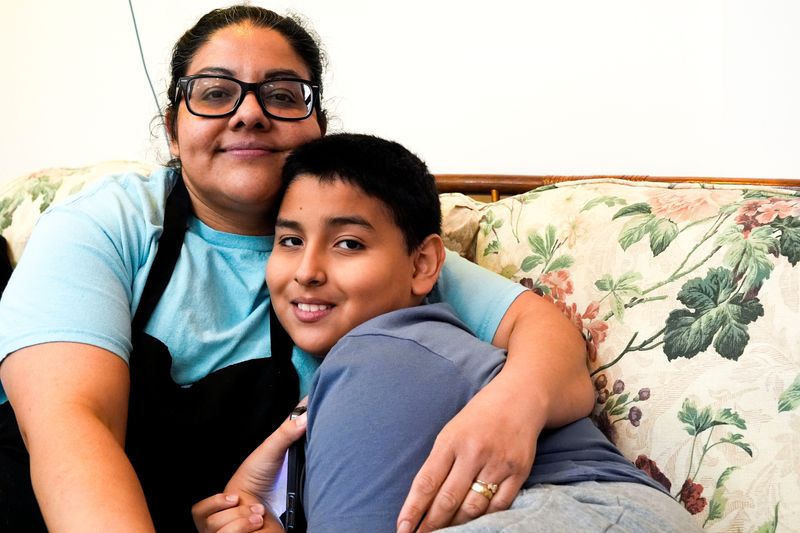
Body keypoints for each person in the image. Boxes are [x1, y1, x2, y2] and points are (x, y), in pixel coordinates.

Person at [0, 6, 593, 532]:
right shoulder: (109, 223)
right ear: (172, 130)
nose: (249, 114)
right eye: (213, 93)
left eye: (282, 95)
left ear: (317, 128)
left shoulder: (366, 248)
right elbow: (72, 423)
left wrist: (509, 411)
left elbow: (544, 336)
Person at [193, 133, 701, 533]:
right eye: (289, 240)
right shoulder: (377, 360)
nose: (306, 270)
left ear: (424, 264)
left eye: (348, 243)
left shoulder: (382, 354)